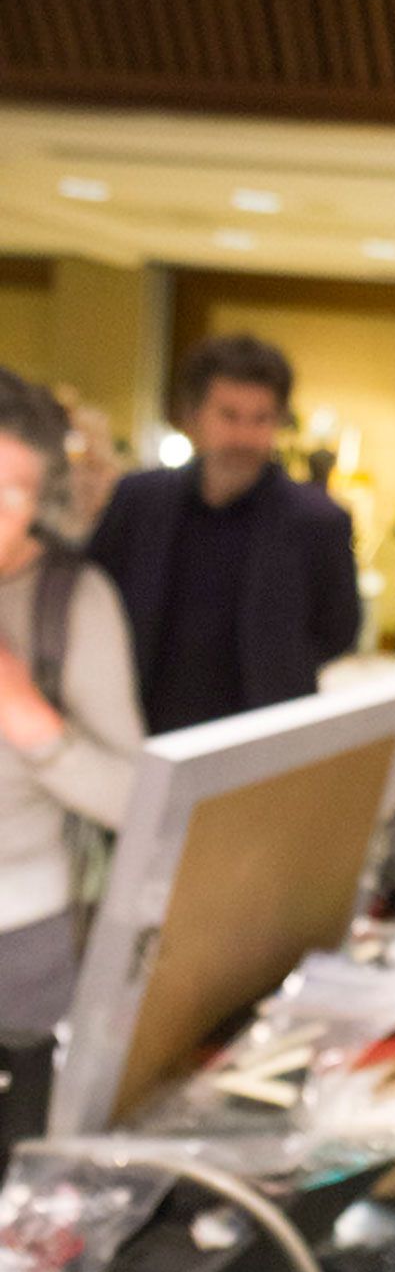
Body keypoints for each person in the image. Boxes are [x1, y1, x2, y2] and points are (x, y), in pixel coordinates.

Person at [87, 334, 360, 733]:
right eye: (229, 416)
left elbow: (338, 630)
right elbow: (94, 594)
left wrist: (281, 664)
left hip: (262, 735)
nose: (244, 437)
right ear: (194, 416)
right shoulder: (139, 500)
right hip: (139, 726)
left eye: (261, 419)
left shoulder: (318, 521)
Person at [0, 370, 143, 1034]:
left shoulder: (73, 602)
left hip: (21, 943)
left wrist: (31, 720)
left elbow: (134, 799)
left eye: (12, 492)